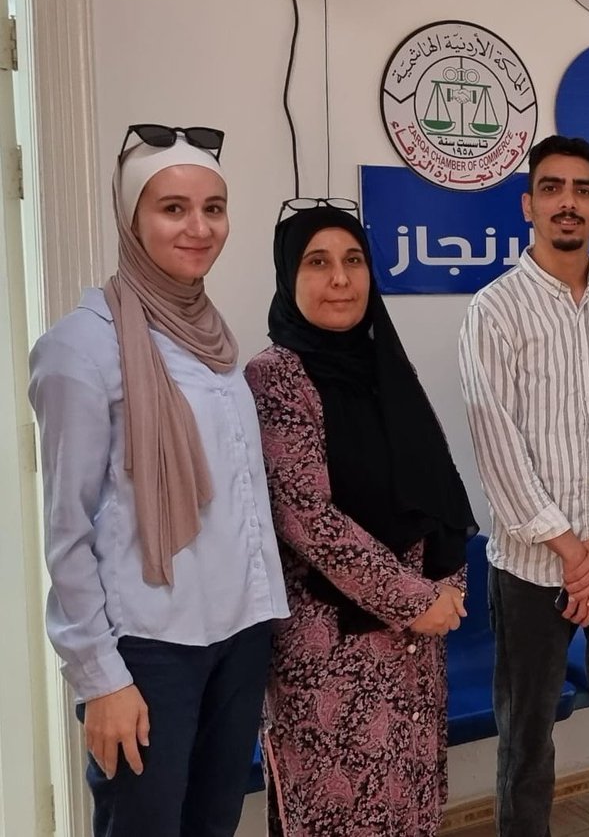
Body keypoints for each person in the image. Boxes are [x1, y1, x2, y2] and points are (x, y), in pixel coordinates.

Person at [29, 124, 290, 836]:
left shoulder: (213, 337)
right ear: (131, 219)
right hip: (146, 647)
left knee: (212, 826)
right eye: (173, 208)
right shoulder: (79, 349)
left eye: (214, 207)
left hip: (237, 632)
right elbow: (66, 528)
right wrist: (100, 677)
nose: (199, 227)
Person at [458, 135, 589, 837]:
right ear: (529, 205)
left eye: (582, 190)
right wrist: (577, 556)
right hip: (529, 569)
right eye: (552, 188)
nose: (567, 203)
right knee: (527, 743)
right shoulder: (494, 311)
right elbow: (498, 451)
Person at [244, 201, 476, 837]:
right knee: (339, 811)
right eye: (318, 263)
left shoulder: (386, 369)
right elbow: (308, 519)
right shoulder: (276, 377)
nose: (340, 279)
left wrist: (448, 588)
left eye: (353, 261)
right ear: (289, 278)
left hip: (413, 642)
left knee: (409, 803)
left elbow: (436, 486)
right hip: (330, 647)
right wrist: (413, 600)